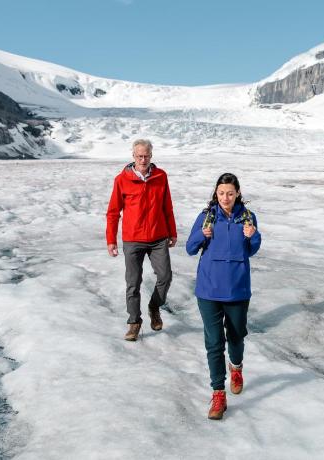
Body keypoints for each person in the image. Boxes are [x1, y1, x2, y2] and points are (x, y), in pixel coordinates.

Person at [186, 173, 261, 420]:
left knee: (237, 335)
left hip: (237, 288)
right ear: (215, 194)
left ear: (238, 193)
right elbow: (189, 248)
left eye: (230, 193)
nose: (225, 198)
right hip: (208, 289)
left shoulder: (248, 218)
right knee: (214, 342)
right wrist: (202, 235)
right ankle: (218, 392)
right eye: (221, 193)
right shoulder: (206, 217)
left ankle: (236, 367)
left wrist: (254, 236)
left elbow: (251, 250)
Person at [106, 139, 177, 341]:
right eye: (139, 156)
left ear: (151, 156)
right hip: (133, 239)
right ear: (133, 156)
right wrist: (111, 240)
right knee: (133, 283)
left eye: (146, 155)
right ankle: (134, 322)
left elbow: (167, 207)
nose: (143, 159)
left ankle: (154, 307)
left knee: (165, 276)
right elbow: (113, 212)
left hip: (158, 237)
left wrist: (172, 233)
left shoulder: (161, 176)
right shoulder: (122, 179)